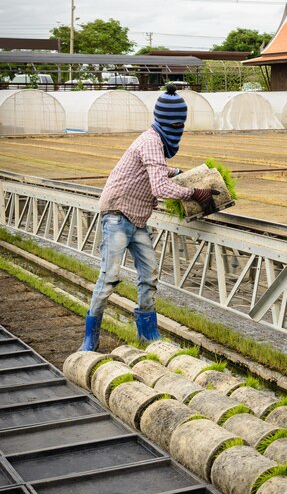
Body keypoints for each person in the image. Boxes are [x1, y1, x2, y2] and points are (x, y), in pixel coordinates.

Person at [80, 83, 217, 351]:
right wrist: (193, 193)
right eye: (176, 124)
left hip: (138, 219)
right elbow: (160, 188)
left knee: (150, 274)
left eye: (181, 124)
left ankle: (147, 334)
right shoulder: (151, 141)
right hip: (117, 216)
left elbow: (158, 172)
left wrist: (177, 171)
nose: (179, 129)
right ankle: (90, 339)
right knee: (108, 278)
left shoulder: (155, 142)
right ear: (167, 121)